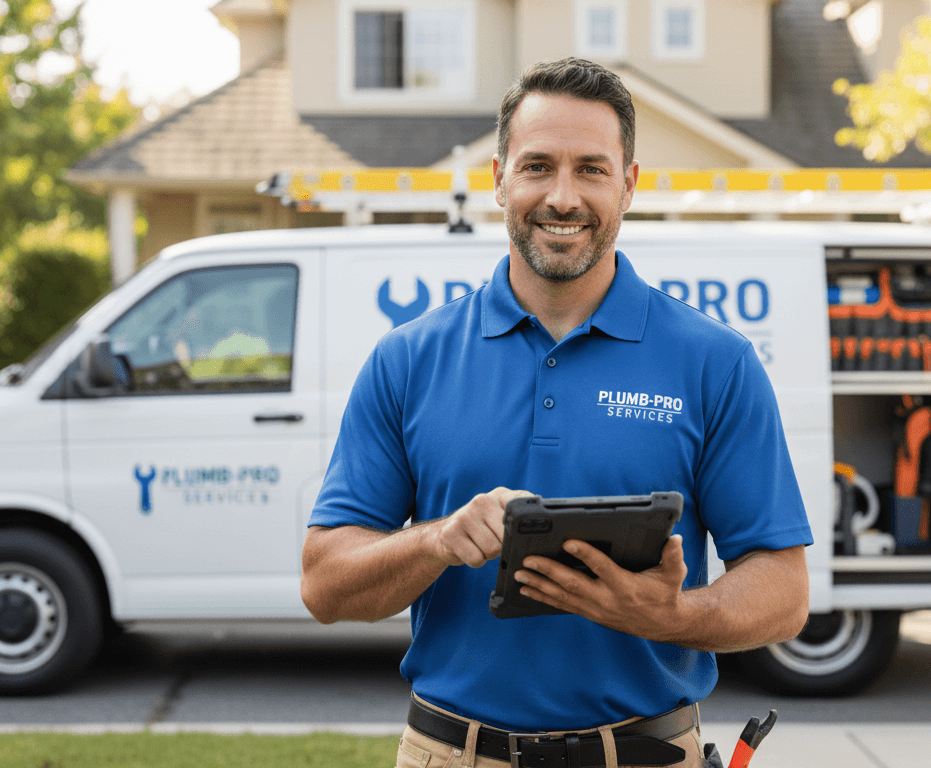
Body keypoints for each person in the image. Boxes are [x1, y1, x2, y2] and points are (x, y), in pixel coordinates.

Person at [302, 57, 812, 768]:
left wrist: (671, 616)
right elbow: (325, 585)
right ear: (500, 178)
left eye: (592, 169)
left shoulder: (715, 362)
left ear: (629, 184)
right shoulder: (408, 360)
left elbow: (784, 592)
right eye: (538, 166)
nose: (563, 197)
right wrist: (436, 540)